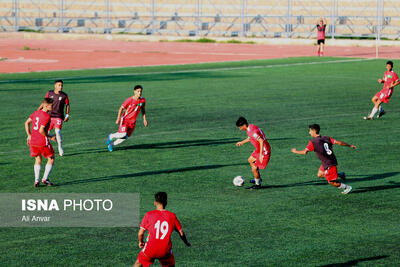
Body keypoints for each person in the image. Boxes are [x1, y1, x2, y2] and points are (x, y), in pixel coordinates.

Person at [291, 124, 356, 194]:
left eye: (310, 131)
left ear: (314, 131)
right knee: (320, 174)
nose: (309, 132)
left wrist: (295, 151)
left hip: (329, 164)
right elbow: (339, 143)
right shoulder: (326, 138)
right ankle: (340, 174)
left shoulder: (313, 142)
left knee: (331, 182)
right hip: (328, 161)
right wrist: (350, 145)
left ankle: (347, 187)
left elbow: (304, 152)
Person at [133, 192, 191, 267]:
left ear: (155, 202)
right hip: (165, 251)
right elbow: (181, 233)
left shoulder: (149, 215)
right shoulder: (172, 216)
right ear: (166, 202)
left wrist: (140, 241)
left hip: (150, 249)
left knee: (138, 263)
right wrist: (186, 242)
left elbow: (140, 233)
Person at [25, 98, 56, 187]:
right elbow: (41, 130)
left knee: (38, 159)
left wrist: (29, 135)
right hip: (42, 141)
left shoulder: (36, 112)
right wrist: (50, 137)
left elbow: (26, 123)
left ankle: (36, 180)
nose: (53, 107)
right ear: (46, 106)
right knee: (51, 158)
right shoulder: (46, 116)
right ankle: (45, 179)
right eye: (51, 105)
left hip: (33, 141)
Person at [107, 85, 148, 152]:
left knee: (125, 137)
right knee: (122, 134)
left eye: (141, 91)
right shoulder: (129, 100)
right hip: (125, 120)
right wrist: (118, 118)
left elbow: (143, 109)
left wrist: (144, 119)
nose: (139, 93)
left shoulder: (142, 100)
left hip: (132, 122)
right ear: (134, 91)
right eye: (138, 91)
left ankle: (111, 145)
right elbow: (121, 109)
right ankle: (111, 136)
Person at [236, 117, 271, 189]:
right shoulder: (251, 127)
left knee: (254, 168)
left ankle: (257, 184)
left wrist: (261, 154)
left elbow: (261, 140)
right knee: (250, 160)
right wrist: (242, 142)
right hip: (259, 149)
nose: (240, 129)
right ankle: (257, 178)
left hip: (264, 151)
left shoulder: (252, 131)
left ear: (244, 125)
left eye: (240, 127)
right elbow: (250, 138)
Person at [38, 79, 70, 156]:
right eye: (59, 85)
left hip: (58, 116)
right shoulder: (49, 93)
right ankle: (46, 148)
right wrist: (38, 111)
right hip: (49, 116)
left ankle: (60, 147)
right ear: (55, 86)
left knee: (57, 131)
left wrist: (67, 115)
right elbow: (44, 103)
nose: (61, 87)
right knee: (46, 133)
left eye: (62, 85)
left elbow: (67, 105)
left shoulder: (64, 95)